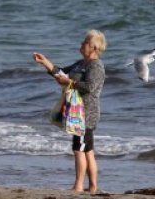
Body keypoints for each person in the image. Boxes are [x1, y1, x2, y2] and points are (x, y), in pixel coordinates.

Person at [33, 30, 107, 193]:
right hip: (77, 111)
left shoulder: (96, 66)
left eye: (85, 43)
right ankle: (93, 187)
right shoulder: (81, 63)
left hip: (86, 113)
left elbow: (90, 87)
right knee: (87, 150)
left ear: (93, 48)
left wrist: (69, 82)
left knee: (79, 148)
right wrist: (45, 62)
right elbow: (62, 73)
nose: (81, 44)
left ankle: (79, 186)